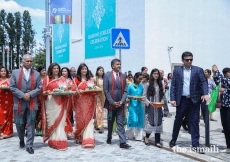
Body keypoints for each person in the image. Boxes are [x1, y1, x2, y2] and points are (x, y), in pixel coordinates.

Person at [169, 51, 210, 154]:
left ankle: (195, 144)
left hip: (194, 100)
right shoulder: (177, 71)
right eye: (187, 60)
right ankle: (173, 139)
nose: (189, 61)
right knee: (178, 120)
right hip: (182, 100)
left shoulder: (198, 70)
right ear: (183, 60)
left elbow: (203, 82)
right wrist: (172, 98)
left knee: (194, 122)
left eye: (191, 59)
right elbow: (173, 85)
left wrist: (205, 93)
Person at [9, 54, 42, 154]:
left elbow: (39, 87)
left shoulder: (36, 74)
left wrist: (30, 94)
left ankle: (29, 146)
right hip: (19, 102)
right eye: (27, 61)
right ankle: (21, 140)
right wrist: (22, 95)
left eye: (31, 61)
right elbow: (12, 87)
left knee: (31, 124)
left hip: (32, 102)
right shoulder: (15, 72)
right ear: (23, 62)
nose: (29, 63)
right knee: (19, 124)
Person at [42, 63, 75, 151]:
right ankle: (52, 140)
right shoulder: (47, 79)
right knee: (52, 122)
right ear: (51, 70)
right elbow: (43, 91)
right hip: (51, 102)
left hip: (61, 102)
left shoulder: (63, 79)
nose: (56, 70)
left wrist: (67, 91)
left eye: (57, 68)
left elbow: (66, 90)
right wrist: (50, 92)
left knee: (60, 122)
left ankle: (60, 140)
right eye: (54, 68)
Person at [103, 59, 131, 149]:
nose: (119, 66)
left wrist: (122, 101)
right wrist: (112, 102)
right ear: (112, 66)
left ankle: (123, 142)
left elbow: (125, 90)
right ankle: (109, 137)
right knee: (110, 121)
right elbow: (106, 90)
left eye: (120, 64)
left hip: (120, 104)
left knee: (120, 123)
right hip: (111, 104)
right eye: (117, 64)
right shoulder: (107, 76)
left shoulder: (123, 75)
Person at [72, 63, 97, 148]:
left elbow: (94, 90)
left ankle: (88, 138)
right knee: (81, 120)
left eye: (86, 69)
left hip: (89, 103)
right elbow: (73, 91)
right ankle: (80, 136)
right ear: (79, 70)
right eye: (83, 69)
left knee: (89, 120)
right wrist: (78, 91)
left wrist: (92, 90)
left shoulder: (90, 79)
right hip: (80, 103)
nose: (84, 70)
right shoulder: (76, 79)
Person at [143, 69, 164, 147]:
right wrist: (149, 103)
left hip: (158, 107)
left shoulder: (161, 84)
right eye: (154, 73)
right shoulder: (147, 84)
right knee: (150, 122)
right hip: (150, 107)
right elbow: (144, 97)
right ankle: (147, 137)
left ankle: (157, 141)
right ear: (151, 75)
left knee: (158, 123)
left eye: (157, 74)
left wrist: (161, 102)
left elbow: (162, 95)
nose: (156, 75)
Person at [212, 65, 230, 153]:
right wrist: (215, 73)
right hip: (223, 106)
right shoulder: (224, 81)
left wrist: (217, 71)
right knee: (225, 126)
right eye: (227, 72)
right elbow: (217, 82)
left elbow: (225, 82)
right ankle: (228, 146)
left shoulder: (227, 81)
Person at [127, 72, 144, 141]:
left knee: (140, 121)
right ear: (135, 78)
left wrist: (141, 98)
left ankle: (138, 136)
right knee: (133, 120)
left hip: (140, 106)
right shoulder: (130, 86)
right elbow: (127, 95)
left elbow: (143, 95)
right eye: (139, 79)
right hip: (133, 106)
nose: (140, 80)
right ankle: (129, 134)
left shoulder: (141, 86)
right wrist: (132, 97)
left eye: (141, 79)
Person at [0, 67, 14, 139]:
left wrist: (7, 87)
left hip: (8, 100)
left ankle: (8, 132)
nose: (3, 72)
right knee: (1, 115)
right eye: (1, 71)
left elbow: (13, 88)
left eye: (4, 71)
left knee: (8, 116)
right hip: (0, 101)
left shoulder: (10, 80)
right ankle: (1, 132)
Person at [61, 67, 74, 138]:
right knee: (62, 116)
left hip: (69, 99)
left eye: (65, 71)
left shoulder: (70, 80)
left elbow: (72, 89)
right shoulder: (59, 80)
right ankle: (63, 131)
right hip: (61, 99)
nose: (63, 73)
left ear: (68, 72)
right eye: (62, 71)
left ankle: (67, 131)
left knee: (67, 115)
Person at [93, 66, 105, 133]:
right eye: (100, 70)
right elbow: (92, 86)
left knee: (100, 110)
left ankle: (96, 123)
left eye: (102, 70)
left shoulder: (104, 79)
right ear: (97, 71)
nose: (101, 72)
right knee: (99, 110)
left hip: (103, 96)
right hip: (97, 96)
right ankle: (101, 126)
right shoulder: (95, 78)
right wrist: (97, 87)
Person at [35, 66, 46, 136]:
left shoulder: (47, 79)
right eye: (42, 70)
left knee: (45, 113)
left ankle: (44, 129)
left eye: (45, 70)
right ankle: (38, 129)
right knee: (39, 113)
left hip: (46, 98)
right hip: (39, 99)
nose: (44, 72)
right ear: (39, 72)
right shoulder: (37, 80)